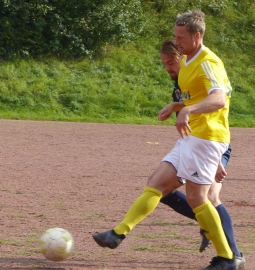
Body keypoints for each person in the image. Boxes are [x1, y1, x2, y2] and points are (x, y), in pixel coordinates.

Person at [93, 10, 241, 270]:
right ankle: (117, 234)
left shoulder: (208, 62)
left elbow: (218, 99)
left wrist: (187, 110)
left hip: (206, 137)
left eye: (181, 37)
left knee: (198, 199)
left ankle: (228, 258)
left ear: (197, 36)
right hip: (191, 136)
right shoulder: (188, 61)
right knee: (156, 184)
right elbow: (196, 96)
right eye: (176, 36)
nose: (177, 42)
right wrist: (177, 104)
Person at [158, 38, 245, 268]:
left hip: (214, 144)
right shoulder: (180, 85)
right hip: (196, 143)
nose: (168, 68)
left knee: (211, 199)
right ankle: (209, 225)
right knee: (162, 190)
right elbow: (187, 128)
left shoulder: (200, 72)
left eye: (171, 63)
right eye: (165, 64)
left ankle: (234, 255)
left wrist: (216, 160)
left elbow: (214, 116)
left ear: (183, 59)